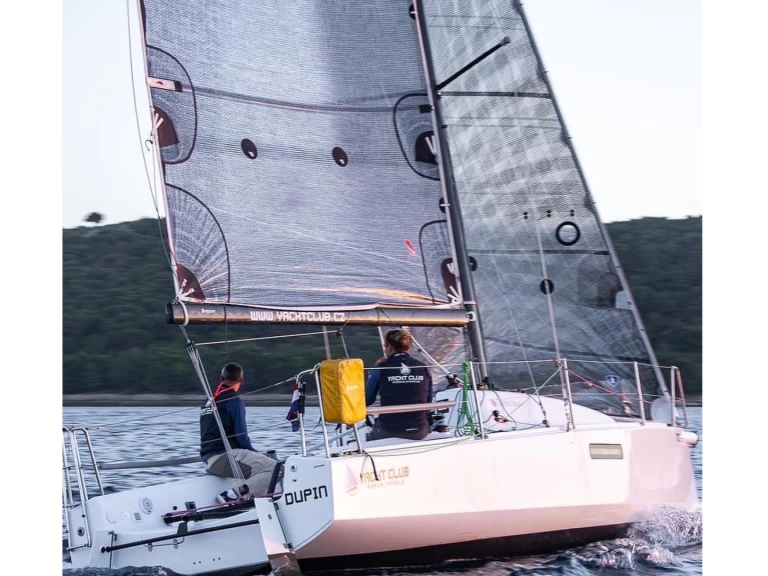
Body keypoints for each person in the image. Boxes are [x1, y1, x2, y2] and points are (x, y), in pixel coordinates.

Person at [199, 363, 278, 503]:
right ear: (241, 380)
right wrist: (257, 454)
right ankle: (232, 495)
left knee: (263, 466)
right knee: (276, 468)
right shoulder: (233, 400)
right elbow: (241, 437)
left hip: (208, 461)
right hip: (224, 458)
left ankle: (253, 498)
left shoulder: (209, 400)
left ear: (221, 378)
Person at [365, 329, 433, 441]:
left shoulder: (381, 367)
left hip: (388, 431)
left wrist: (373, 371)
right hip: (419, 431)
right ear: (408, 347)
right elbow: (429, 401)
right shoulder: (423, 367)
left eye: (385, 346)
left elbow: (367, 400)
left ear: (389, 347)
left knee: (367, 432)